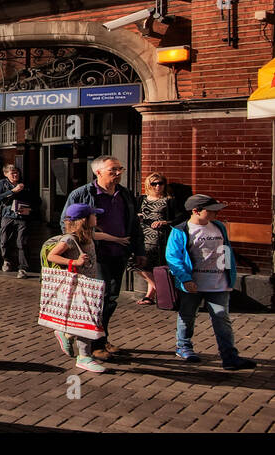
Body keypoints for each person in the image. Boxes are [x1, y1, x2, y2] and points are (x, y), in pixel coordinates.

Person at [62, 155, 145, 362]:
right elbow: (66, 224)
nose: (118, 173)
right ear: (98, 172)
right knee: (98, 299)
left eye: (120, 169)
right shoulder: (82, 194)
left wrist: (140, 251)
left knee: (110, 300)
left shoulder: (124, 194)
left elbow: (134, 224)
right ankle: (95, 345)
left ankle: (101, 337)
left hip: (120, 254)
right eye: (113, 170)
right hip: (95, 256)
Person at [164, 195, 256, 370]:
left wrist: (230, 275)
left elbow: (226, 250)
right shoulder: (181, 230)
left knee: (222, 318)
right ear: (196, 211)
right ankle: (184, 346)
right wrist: (186, 279)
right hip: (193, 284)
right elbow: (173, 258)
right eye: (211, 210)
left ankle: (229, 357)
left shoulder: (219, 227)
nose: (216, 213)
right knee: (187, 315)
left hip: (218, 283)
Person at [45, 201, 110, 373]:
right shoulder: (69, 239)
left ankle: (64, 332)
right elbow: (52, 256)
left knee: (84, 320)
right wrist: (74, 262)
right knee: (85, 322)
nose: (96, 217)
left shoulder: (88, 235)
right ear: (83, 219)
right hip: (79, 287)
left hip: (89, 285)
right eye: (93, 215)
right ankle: (84, 357)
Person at [135, 172, 182, 304]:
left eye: (160, 183)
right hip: (141, 234)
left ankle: (150, 295)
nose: (157, 186)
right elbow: (131, 215)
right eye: (154, 183)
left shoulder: (169, 200)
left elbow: (180, 217)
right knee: (137, 264)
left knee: (152, 265)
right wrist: (137, 216)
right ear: (148, 185)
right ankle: (163, 291)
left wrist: (165, 222)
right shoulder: (141, 199)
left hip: (158, 237)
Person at [0, 164, 32, 278]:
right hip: (7, 216)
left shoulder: (24, 184)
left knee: (22, 242)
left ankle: (23, 268)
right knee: (4, 240)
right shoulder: (2, 183)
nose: (16, 175)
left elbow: (34, 199)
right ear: (6, 174)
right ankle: (6, 260)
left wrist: (28, 208)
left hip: (22, 217)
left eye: (17, 172)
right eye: (12, 173)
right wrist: (12, 191)